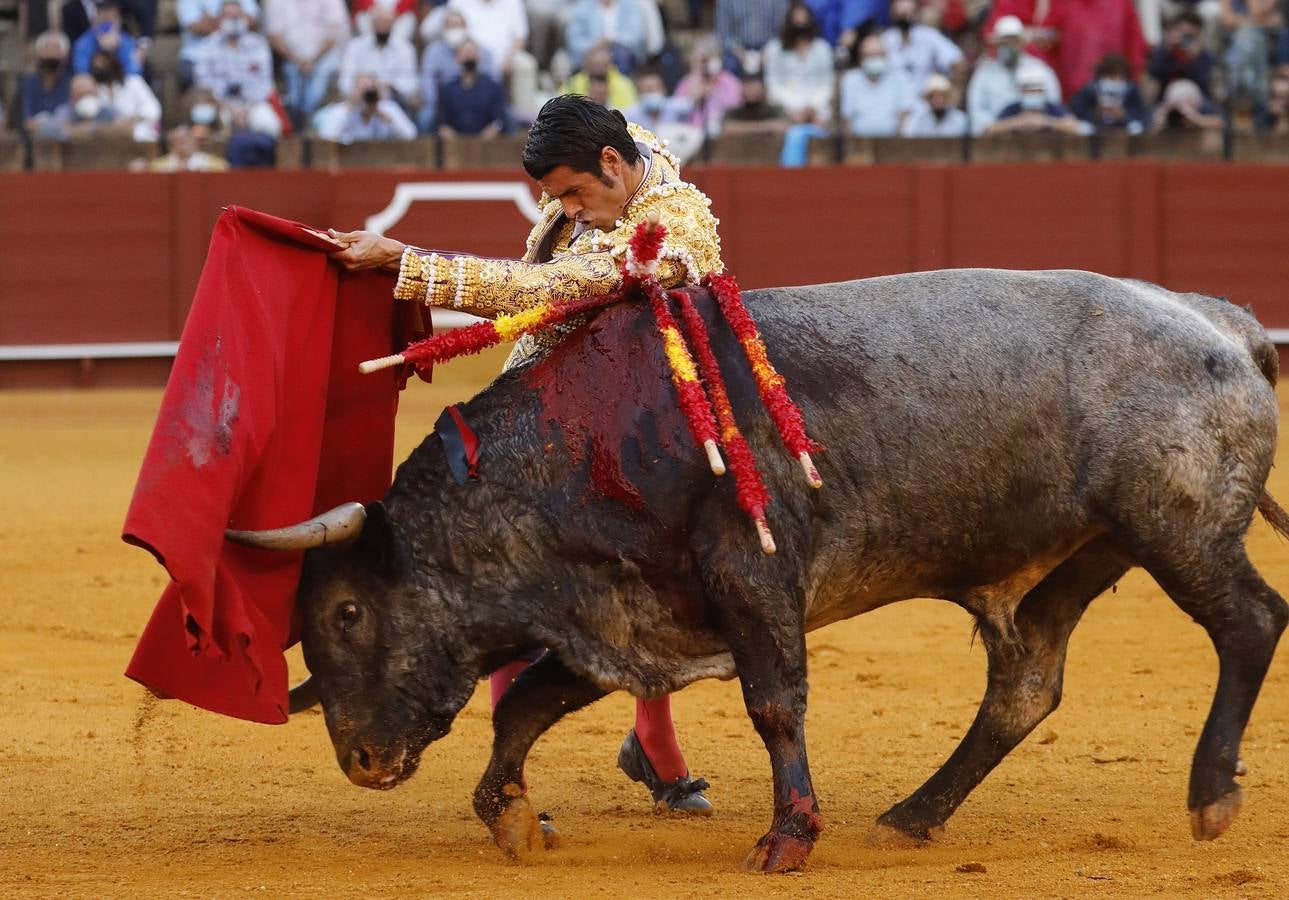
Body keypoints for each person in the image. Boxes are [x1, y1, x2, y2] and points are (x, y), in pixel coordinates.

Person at [324, 96, 724, 816]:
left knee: (652, 590)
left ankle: (653, 751)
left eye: (574, 193)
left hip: (619, 439)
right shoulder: (616, 159)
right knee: (503, 590)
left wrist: (409, 265)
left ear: (611, 165)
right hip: (537, 420)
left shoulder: (672, 227)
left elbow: (546, 289)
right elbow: (621, 133)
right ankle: (516, 775)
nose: (569, 210)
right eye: (556, 198)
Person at [192, 0, 280, 137]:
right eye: (228, 16)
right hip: (219, 103)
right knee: (212, 122)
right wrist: (228, 108)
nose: (233, 20)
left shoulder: (258, 44)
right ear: (220, 19)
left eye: (237, 16)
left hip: (252, 104)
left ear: (245, 18)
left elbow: (265, 83)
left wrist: (246, 110)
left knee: (268, 124)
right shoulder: (206, 46)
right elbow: (204, 85)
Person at [966, 14, 1061, 134]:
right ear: (997, 44)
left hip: (1038, 138)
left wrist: (1036, 123)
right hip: (994, 142)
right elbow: (977, 117)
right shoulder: (983, 75)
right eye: (1004, 42)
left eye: (1013, 42)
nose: (1009, 46)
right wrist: (1009, 125)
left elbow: (1054, 106)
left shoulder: (1041, 70)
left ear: (1022, 43)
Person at [264, 0, 350, 127]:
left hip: (324, 56)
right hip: (291, 58)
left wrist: (312, 60)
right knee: (293, 86)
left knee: (316, 86)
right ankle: (297, 124)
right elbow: (274, 36)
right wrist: (298, 60)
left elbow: (334, 35)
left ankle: (311, 122)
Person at [763, 2, 834, 125]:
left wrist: (812, 107)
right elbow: (773, 85)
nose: (800, 24)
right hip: (784, 108)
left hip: (817, 108)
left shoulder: (822, 48)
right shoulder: (774, 49)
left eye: (804, 20)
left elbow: (827, 83)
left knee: (823, 124)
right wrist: (795, 107)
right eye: (796, 21)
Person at [338, 5, 419, 110]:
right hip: (358, 105)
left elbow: (410, 84)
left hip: (393, 105)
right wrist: (362, 86)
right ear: (372, 23)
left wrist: (384, 87)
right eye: (379, 22)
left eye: (386, 22)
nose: (383, 27)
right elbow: (344, 82)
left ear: (393, 23)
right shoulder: (355, 46)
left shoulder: (405, 48)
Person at [839, 34, 917, 137]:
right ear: (861, 58)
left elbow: (904, 114)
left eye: (878, 55)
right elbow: (846, 118)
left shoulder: (900, 78)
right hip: (860, 143)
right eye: (870, 56)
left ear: (886, 56)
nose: (874, 59)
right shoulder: (850, 80)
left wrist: (898, 145)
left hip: (892, 141)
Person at [624, 65, 703, 161]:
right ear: (639, 93)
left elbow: (693, 101)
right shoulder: (630, 114)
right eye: (648, 90)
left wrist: (697, 71)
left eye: (656, 89)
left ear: (664, 90)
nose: (653, 93)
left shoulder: (674, 106)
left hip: (677, 157)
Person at [881, 0, 964, 89]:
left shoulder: (929, 36)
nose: (905, 20)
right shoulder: (885, 40)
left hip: (924, 99)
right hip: (895, 99)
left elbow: (957, 62)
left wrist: (953, 92)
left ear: (916, 13)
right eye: (901, 16)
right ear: (893, 14)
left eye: (908, 14)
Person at [315, 72, 418, 142]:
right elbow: (325, 137)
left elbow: (411, 135)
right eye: (363, 89)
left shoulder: (387, 108)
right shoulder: (342, 110)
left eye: (371, 89)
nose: (367, 94)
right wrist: (350, 106)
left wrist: (384, 116)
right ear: (354, 90)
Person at [436, 39, 510, 137]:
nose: (470, 56)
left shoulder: (493, 87)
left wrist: (492, 130)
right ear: (457, 57)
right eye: (466, 53)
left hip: (486, 144)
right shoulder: (447, 89)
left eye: (473, 53)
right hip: (455, 145)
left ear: (479, 57)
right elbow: (442, 123)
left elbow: (499, 120)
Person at [673, 36, 743, 137]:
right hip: (693, 134)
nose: (704, 64)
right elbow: (680, 111)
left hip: (724, 133)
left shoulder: (729, 81)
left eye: (707, 59)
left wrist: (713, 82)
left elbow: (735, 107)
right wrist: (696, 76)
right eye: (700, 61)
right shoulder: (686, 82)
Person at [89, 48, 161, 141]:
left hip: (137, 131)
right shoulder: (95, 90)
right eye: (96, 67)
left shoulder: (134, 82)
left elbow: (154, 109)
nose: (99, 69)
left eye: (103, 65)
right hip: (108, 135)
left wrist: (131, 120)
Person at [985, 68, 1082, 135]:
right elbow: (989, 129)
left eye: (1036, 90)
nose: (1033, 93)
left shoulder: (1052, 107)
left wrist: (1045, 121)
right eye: (1028, 90)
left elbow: (1073, 126)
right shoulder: (1013, 108)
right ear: (1021, 91)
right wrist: (1017, 122)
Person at [1221, 0, 1282, 105]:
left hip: (1266, 36)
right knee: (1247, 36)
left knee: (1250, 37)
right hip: (1234, 39)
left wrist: (1246, 20)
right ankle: (1255, 96)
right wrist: (1252, 21)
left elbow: (1257, 11)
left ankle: (1240, 90)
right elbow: (1227, 19)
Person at [1069, 52, 1148, 134]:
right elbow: (1078, 112)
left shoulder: (1131, 90)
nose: (1117, 81)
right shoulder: (1090, 89)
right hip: (1095, 130)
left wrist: (1124, 115)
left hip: (1124, 131)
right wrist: (1096, 112)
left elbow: (1142, 115)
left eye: (1121, 77)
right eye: (1112, 77)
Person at [565, 0, 650, 74]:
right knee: (596, 59)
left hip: (621, 49)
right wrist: (594, 45)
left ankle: (622, 87)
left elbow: (636, 35)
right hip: (592, 49)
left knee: (621, 55)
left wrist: (612, 40)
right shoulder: (583, 7)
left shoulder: (630, 5)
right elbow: (574, 39)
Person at [1148, 11, 1217, 98]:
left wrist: (1195, 58)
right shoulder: (1165, 51)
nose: (1185, 39)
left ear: (1199, 34)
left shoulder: (1206, 57)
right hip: (1167, 101)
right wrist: (1168, 49)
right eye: (1182, 33)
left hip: (1197, 103)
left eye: (1190, 35)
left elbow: (1204, 84)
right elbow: (1154, 73)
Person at [19, 31, 73, 135]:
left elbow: (71, 122)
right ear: (38, 55)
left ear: (65, 56)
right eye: (47, 50)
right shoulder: (27, 84)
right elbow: (27, 121)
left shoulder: (71, 84)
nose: (51, 55)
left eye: (56, 50)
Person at [715, 0, 789, 74]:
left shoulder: (777, 1)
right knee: (729, 66)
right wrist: (741, 54)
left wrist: (766, 52)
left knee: (783, 64)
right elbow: (724, 35)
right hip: (738, 49)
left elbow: (781, 32)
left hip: (768, 47)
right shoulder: (726, 1)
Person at [71, 0, 142, 76]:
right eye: (103, 20)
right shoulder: (82, 43)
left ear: (119, 21)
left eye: (111, 20)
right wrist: (102, 51)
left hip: (120, 84)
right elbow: (81, 72)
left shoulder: (127, 42)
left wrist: (116, 50)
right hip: (94, 83)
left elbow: (134, 71)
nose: (107, 25)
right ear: (94, 21)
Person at [563, 43, 639, 110]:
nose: (598, 68)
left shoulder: (624, 84)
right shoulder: (573, 83)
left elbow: (630, 111)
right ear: (586, 64)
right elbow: (561, 107)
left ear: (610, 65)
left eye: (601, 64)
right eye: (594, 64)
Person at [902, 72, 968, 136]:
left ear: (947, 98)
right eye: (934, 97)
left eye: (942, 96)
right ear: (928, 100)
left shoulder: (960, 121)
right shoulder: (918, 120)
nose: (938, 100)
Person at [720, 73, 789, 133]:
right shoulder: (733, 111)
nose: (751, 92)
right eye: (748, 88)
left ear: (764, 90)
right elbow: (727, 128)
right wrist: (766, 127)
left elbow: (783, 126)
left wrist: (743, 128)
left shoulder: (775, 109)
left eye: (754, 88)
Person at [1150, 76, 1224, 130]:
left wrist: (1197, 119)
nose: (1179, 111)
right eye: (1176, 104)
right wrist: (1158, 123)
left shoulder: (1206, 108)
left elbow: (1223, 122)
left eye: (1184, 103)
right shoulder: (1163, 112)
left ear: (1196, 103)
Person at [147, 123, 230, 170]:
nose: (183, 145)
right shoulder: (158, 167)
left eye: (186, 140)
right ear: (170, 146)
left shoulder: (216, 165)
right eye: (178, 141)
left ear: (194, 141)